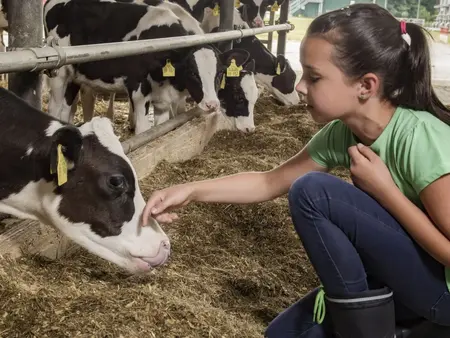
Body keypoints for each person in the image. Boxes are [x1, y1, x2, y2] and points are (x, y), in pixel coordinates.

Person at [142, 4, 450, 337]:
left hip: (442, 295)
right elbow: (268, 182)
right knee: (283, 334)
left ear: (366, 85)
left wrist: (386, 193)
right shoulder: (342, 134)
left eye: (314, 77)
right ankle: (363, 314)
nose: (300, 86)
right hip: (398, 282)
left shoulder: (421, 139)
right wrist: (190, 189)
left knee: (313, 192)